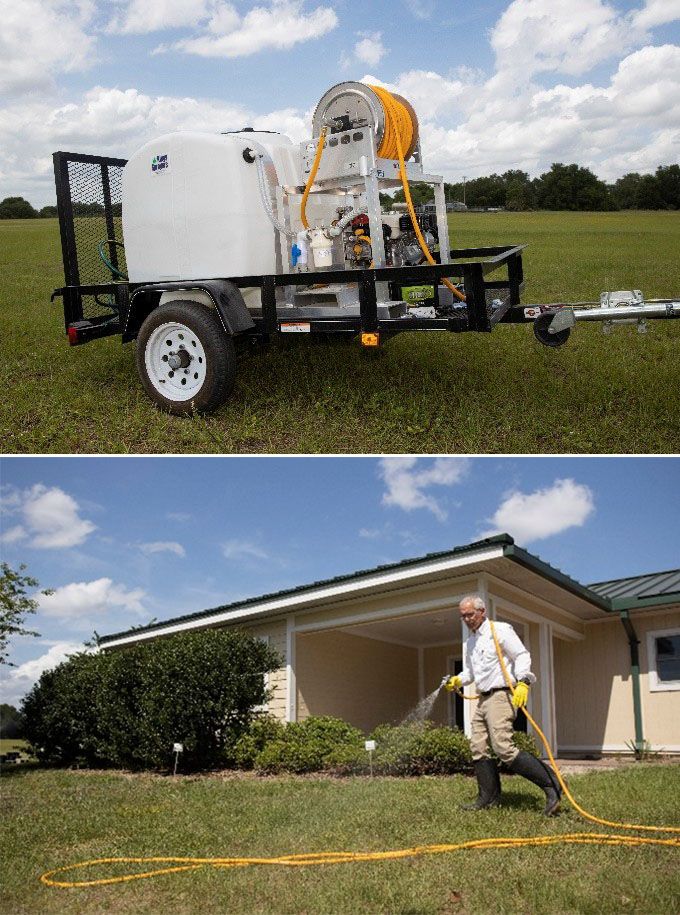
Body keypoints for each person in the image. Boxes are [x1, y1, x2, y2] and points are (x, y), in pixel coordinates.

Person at [443, 594, 561, 816]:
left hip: (501, 695)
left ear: (482, 612)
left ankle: (552, 786)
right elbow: (472, 672)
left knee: (503, 748)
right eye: (463, 616)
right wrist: (458, 679)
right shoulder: (470, 642)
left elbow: (521, 655)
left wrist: (524, 682)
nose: (466, 619)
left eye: (470, 614)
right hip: (482, 698)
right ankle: (488, 798)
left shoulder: (500, 630)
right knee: (478, 747)